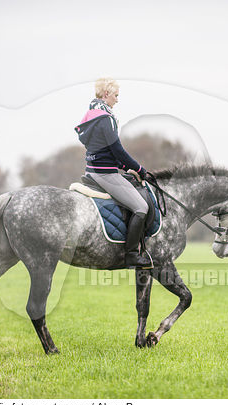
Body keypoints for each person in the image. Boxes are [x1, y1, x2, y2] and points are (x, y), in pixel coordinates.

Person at [75, 78, 152, 268]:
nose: (117, 100)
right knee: (142, 208)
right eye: (116, 96)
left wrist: (127, 168)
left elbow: (106, 151)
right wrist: (140, 169)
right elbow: (117, 150)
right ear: (106, 94)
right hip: (106, 174)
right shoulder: (105, 118)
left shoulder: (90, 115)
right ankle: (132, 255)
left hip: (92, 171)